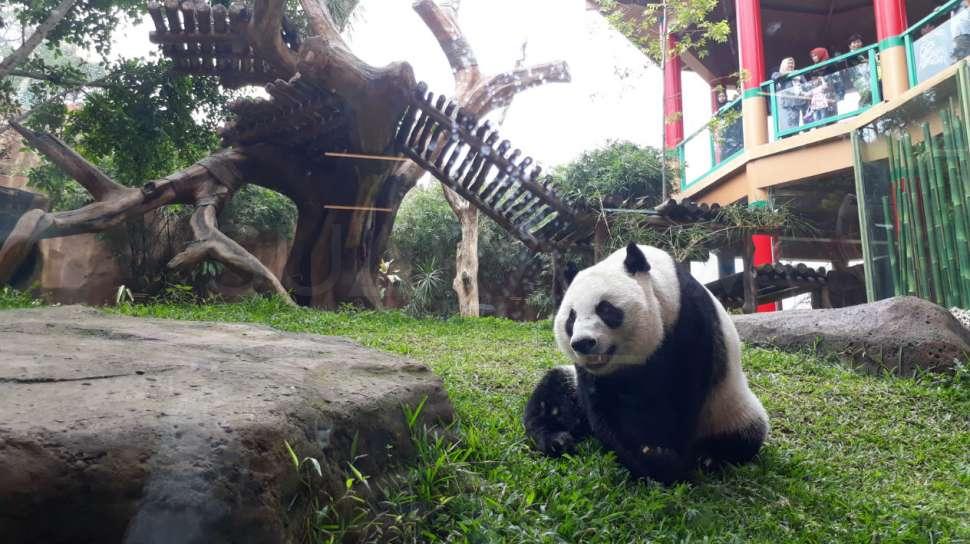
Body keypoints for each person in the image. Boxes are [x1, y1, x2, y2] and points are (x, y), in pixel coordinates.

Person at [803, 47, 838, 124]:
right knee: (820, 119)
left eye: (815, 55)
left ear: (820, 54)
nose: (813, 58)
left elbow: (835, 78)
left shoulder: (830, 64)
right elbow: (812, 83)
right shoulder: (814, 68)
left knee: (831, 117)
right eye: (812, 56)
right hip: (818, 98)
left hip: (829, 94)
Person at [771, 57, 806, 132]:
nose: (791, 65)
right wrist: (789, 74)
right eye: (789, 63)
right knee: (790, 126)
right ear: (783, 64)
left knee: (803, 122)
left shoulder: (798, 73)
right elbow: (774, 77)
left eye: (792, 63)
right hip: (789, 104)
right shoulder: (779, 74)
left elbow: (806, 84)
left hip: (801, 102)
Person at [844, 33, 872, 106]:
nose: (857, 44)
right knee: (866, 93)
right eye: (854, 42)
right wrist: (866, 61)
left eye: (858, 42)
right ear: (850, 46)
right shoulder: (850, 56)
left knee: (871, 92)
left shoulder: (863, 53)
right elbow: (854, 65)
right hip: (858, 79)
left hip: (868, 77)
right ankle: (861, 107)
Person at [713, 90, 742, 159]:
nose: (721, 98)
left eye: (723, 96)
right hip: (724, 131)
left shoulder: (729, 104)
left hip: (731, 129)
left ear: (726, 97)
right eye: (720, 96)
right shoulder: (717, 109)